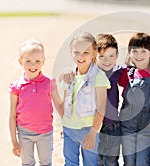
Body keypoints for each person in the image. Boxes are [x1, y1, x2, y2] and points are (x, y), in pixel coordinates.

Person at [9, 39, 63, 166]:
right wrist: (14, 141)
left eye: (37, 61)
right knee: (27, 163)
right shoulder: (16, 87)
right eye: (28, 61)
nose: (33, 65)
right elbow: (12, 115)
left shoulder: (50, 83)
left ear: (43, 61)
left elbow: (59, 106)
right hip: (24, 133)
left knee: (46, 162)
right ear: (20, 62)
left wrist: (64, 125)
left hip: (45, 133)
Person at [118, 32, 150, 166]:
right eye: (135, 51)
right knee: (128, 161)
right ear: (129, 53)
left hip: (148, 123)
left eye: (143, 51)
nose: (139, 56)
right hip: (127, 122)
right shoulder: (126, 72)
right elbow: (104, 68)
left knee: (142, 160)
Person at [61, 31, 110, 166]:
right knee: (70, 163)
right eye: (76, 52)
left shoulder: (98, 77)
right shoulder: (69, 76)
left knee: (90, 163)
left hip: (88, 129)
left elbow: (101, 108)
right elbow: (66, 103)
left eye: (86, 52)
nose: (80, 56)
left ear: (94, 53)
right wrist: (64, 125)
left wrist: (93, 132)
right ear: (71, 52)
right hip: (69, 129)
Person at [95, 34, 126, 166]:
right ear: (95, 56)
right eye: (102, 56)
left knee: (112, 161)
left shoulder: (119, 71)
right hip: (94, 125)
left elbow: (140, 68)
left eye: (111, 56)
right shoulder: (92, 71)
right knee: (97, 161)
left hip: (112, 125)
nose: (106, 61)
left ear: (117, 56)